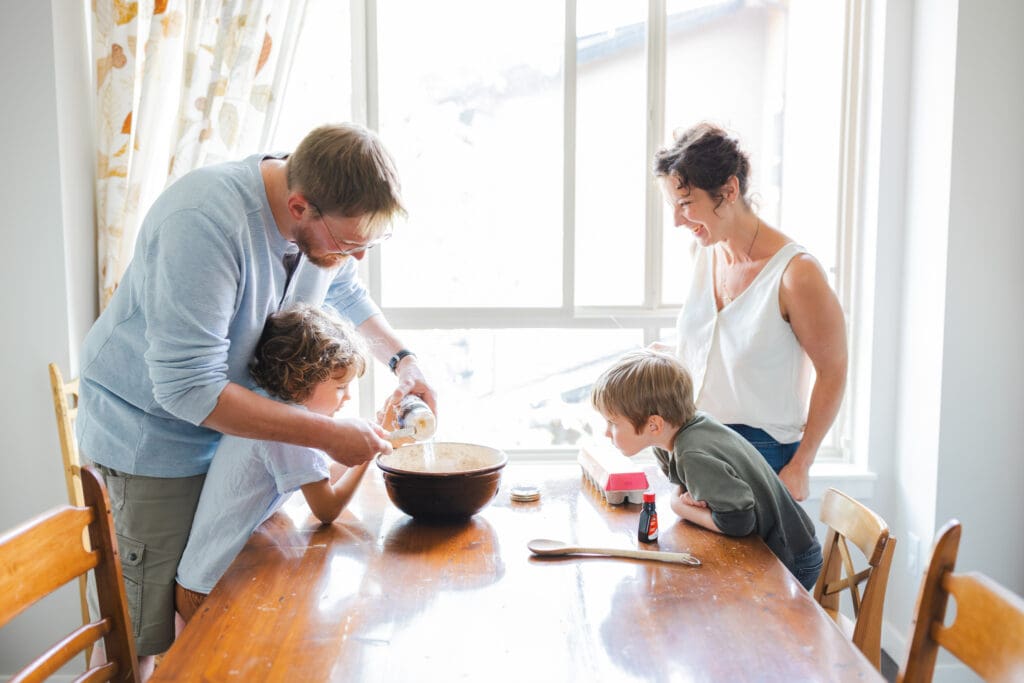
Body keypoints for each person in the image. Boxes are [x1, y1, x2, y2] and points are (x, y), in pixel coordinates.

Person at [76, 122, 436, 674]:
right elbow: (188, 387)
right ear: (299, 207)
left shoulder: (316, 235)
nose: (356, 258)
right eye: (349, 243)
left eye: (369, 244)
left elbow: (342, 286)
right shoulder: (202, 223)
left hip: (230, 431)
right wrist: (327, 434)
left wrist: (402, 360)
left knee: (212, 613)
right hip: (152, 438)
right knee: (143, 634)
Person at [653, 122, 847, 501]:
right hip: (696, 445)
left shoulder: (796, 274)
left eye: (686, 204)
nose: (677, 220)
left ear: (728, 191)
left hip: (763, 456)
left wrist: (801, 464)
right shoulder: (704, 251)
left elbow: (834, 371)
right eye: (672, 206)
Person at [175, 304, 371, 623]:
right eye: (339, 387)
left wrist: (360, 449)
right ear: (301, 382)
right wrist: (365, 459)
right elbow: (326, 508)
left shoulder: (268, 409)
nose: (346, 398)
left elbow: (320, 477)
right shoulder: (289, 429)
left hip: (201, 578)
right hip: (213, 589)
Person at [591, 349, 823, 591]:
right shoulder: (672, 437)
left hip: (790, 559)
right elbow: (692, 486)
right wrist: (691, 498)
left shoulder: (693, 453)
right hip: (780, 548)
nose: (607, 432)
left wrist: (678, 505)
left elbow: (739, 522)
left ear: (654, 424)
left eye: (613, 423)